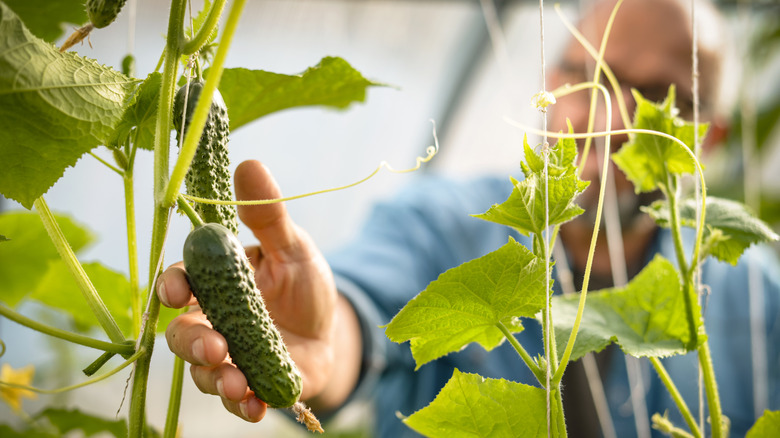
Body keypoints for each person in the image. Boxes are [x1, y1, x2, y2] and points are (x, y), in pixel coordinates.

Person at [156, 0, 780, 436]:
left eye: (661, 99)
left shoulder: (760, 294)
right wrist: (324, 342)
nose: (612, 117)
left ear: (710, 136)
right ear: (551, 84)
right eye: (593, 77)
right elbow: (355, 320)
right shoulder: (439, 224)